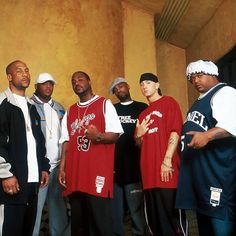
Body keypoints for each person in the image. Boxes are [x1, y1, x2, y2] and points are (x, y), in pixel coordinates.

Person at [58, 71, 123, 236]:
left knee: (100, 225)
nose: (76, 83)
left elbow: (115, 134)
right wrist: (62, 168)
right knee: (79, 226)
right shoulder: (70, 111)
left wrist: (98, 136)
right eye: (73, 81)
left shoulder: (104, 104)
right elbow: (66, 141)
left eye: (80, 79)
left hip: (96, 175)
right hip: (76, 175)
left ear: (89, 81)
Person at [176, 60, 236, 236]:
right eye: (192, 78)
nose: (195, 81)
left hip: (218, 174)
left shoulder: (224, 92)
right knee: (205, 227)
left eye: (199, 75)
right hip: (201, 176)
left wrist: (207, 135)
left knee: (220, 225)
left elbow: (233, 122)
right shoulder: (197, 102)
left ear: (213, 74)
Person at [0, 60, 50, 236]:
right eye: (19, 71)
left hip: (32, 183)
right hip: (11, 183)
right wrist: (6, 174)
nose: (25, 74)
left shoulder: (32, 107)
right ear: (9, 77)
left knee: (27, 231)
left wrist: (44, 167)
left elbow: (38, 142)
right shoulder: (3, 104)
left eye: (27, 70)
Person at [135, 73, 187, 236]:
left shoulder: (169, 102)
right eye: (141, 84)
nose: (144, 86)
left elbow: (175, 132)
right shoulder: (143, 115)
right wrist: (139, 134)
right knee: (155, 223)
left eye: (148, 82)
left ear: (157, 85)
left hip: (167, 171)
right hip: (148, 175)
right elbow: (138, 144)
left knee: (173, 222)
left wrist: (167, 161)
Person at [31, 73, 70, 236]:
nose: (48, 87)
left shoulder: (59, 107)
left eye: (51, 84)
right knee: (34, 210)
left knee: (58, 208)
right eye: (44, 84)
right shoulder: (28, 105)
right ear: (36, 86)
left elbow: (66, 137)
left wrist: (64, 164)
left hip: (58, 167)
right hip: (39, 168)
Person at [109, 77, 147, 236]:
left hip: (135, 168)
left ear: (128, 86)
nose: (119, 90)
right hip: (114, 169)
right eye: (115, 89)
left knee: (136, 209)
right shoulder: (111, 109)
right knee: (115, 212)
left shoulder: (142, 107)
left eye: (121, 86)